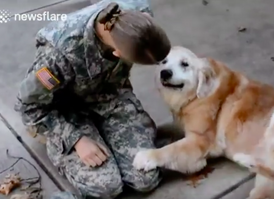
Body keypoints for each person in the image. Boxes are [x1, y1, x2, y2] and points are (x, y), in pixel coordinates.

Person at [14, 0, 171, 198]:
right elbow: (28, 107)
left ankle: (107, 131)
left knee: (145, 178)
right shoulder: (58, 55)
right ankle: (71, 139)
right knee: (106, 187)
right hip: (65, 111)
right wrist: (76, 139)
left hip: (109, 97)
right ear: (118, 54)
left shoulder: (139, 14)